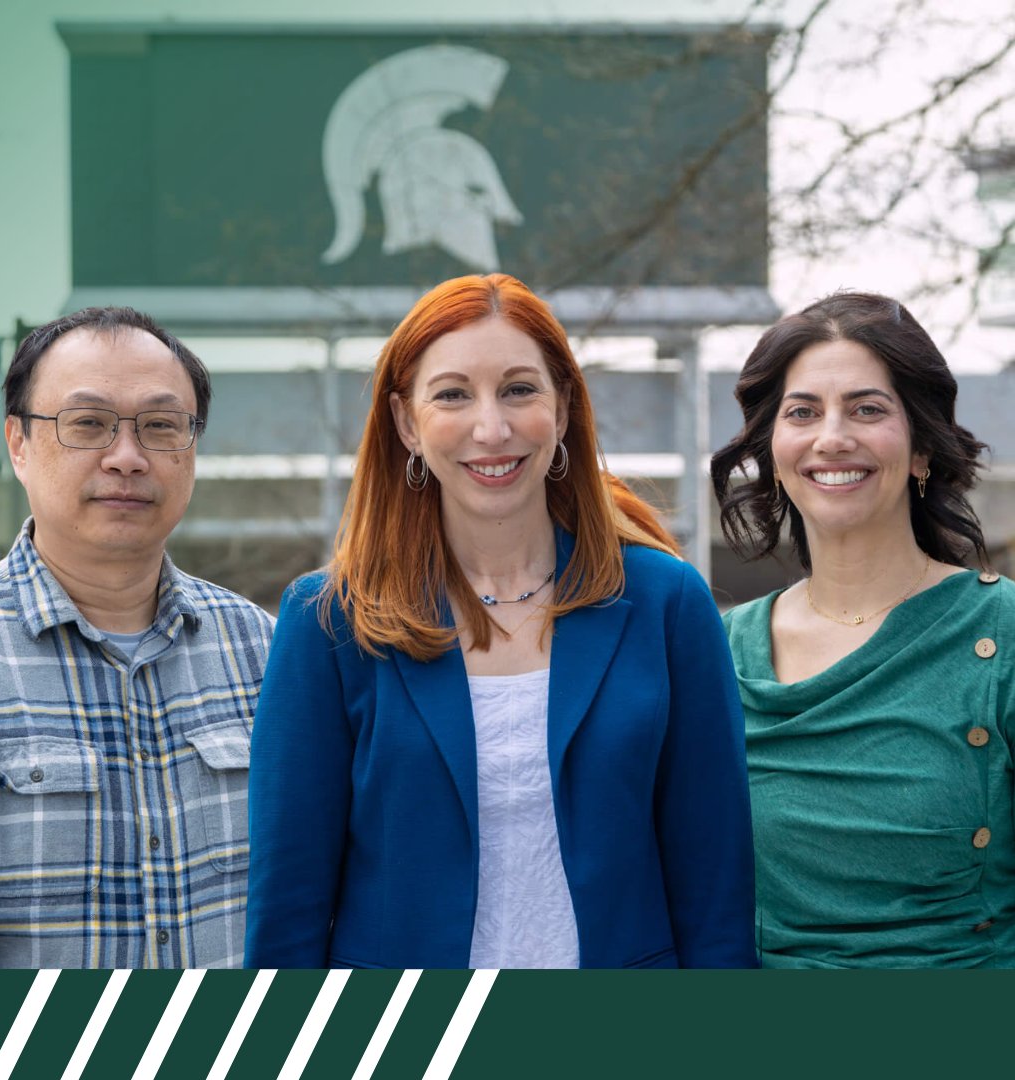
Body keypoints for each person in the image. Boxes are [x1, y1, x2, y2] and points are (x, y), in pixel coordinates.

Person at [246, 273, 756, 969]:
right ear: (406, 423)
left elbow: (715, 887)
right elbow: (288, 910)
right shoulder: (328, 624)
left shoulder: (668, 603)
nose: (492, 428)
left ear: (564, 407)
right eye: (453, 394)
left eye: (519, 389)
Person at [0, 307, 274, 968]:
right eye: (88, 423)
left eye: (160, 426)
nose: (127, 457)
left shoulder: (264, 650)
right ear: (18, 444)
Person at [711, 290, 1015, 968]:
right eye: (803, 412)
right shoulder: (718, 652)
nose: (832, 437)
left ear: (922, 451)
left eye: (867, 409)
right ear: (774, 450)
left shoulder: (1003, 635)